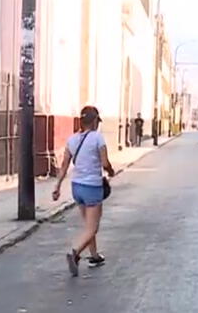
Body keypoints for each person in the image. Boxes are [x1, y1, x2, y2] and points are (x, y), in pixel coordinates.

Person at [53, 106, 115, 277]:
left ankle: (94, 256)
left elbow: (64, 165)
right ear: (95, 121)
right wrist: (110, 171)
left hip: (76, 187)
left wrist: (57, 186)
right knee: (92, 228)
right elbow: (104, 163)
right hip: (92, 188)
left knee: (88, 224)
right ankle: (75, 253)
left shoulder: (72, 139)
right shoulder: (98, 138)